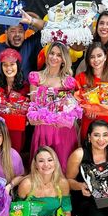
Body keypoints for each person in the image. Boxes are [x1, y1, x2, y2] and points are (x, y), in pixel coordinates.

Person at [4, 146, 87, 216]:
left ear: (55, 162)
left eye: (50, 160)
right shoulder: (27, 184)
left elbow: (66, 211)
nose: (46, 164)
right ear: (36, 165)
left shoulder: (62, 183)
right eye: (41, 161)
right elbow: (17, 209)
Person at [28, 41, 79, 174]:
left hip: (62, 129)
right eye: (52, 53)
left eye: (59, 55)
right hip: (43, 127)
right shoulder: (36, 77)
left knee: (61, 164)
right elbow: (33, 103)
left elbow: (70, 106)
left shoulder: (68, 82)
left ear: (63, 60)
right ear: (47, 55)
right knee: (42, 164)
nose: (54, 57)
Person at [75, 41, 108, 145]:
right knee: (89, 156)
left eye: (99, 56)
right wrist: (86, 111)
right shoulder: (81, 78)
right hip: (89, 123)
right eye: (92, 57)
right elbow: (77, 104)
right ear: (88, 60)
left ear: (105, 57)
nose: (96, 60)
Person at [0, 48, 29, 152]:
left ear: (18, 65)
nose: (8, 68)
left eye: (12, 64)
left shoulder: (25, 86)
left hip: (16, 129)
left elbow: (29, 108)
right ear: (1, 66)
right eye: (5, 64)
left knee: (14, 154)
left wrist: (27, 117)